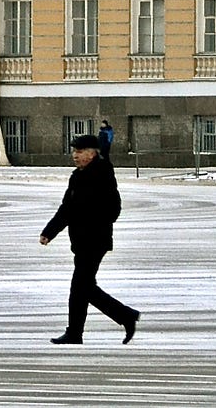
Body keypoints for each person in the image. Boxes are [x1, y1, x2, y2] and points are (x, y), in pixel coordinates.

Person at [39, 134, 140, 346]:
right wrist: (50, 231)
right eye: (74, 152)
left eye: (80, 152)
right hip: (80, 241)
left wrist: (93, 223)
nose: (75, 156)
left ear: (92, 153)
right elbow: (67, 208)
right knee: (84, 287)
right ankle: (124, 316)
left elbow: (114, 208)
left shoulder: (102, 174)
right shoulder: (77, 176)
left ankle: (78, 332)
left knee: (80, 287)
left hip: (95, 240)